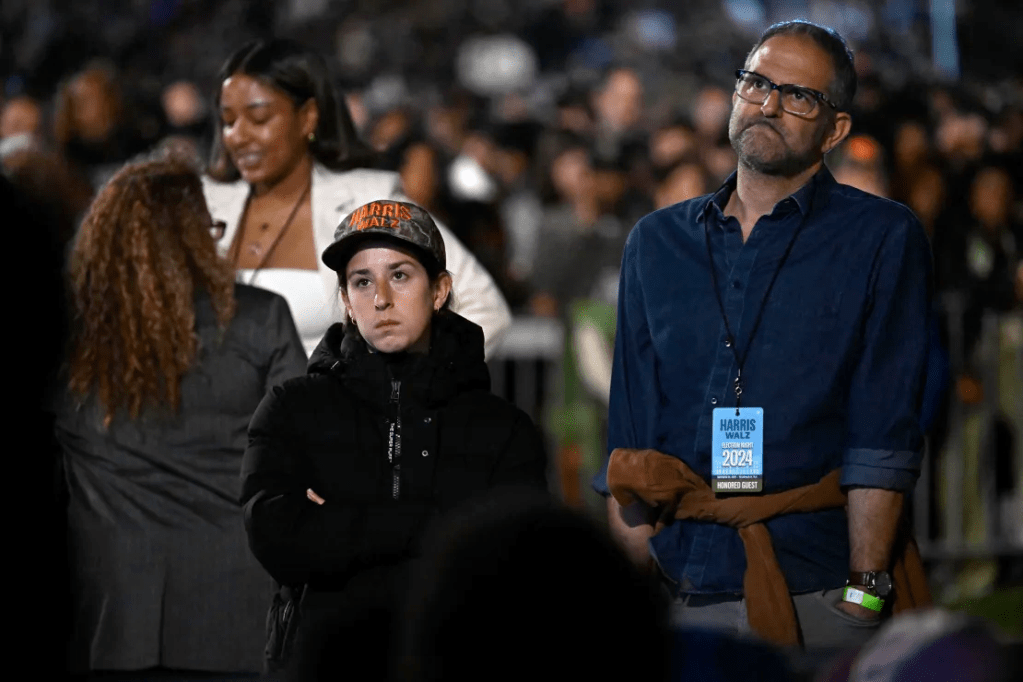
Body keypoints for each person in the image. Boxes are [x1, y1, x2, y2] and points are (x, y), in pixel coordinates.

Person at [593, 20, 933, 654]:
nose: (769, 104)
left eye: (798, 95)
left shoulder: (881, 237)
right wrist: (643, 583)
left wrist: (863, 594)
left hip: (819, 582)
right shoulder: (656, 242)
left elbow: (882, 430)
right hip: (680, 585)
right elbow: (629, 439)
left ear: (835, 130)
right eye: (756, 83)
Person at [239, 199, 548, 679]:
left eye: (400, 275)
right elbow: (277, 537)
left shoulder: (503, 429)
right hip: (325, 664)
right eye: (362, 282)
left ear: (440, 290)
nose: (380, 298)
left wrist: (341, 521)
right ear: (346, 300)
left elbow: (515, 565)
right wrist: (438, 525)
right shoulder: (291, 409)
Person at [54, 155, 307, 676]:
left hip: (108, 612)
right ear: (195, 236)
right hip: (236, 609)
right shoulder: (261, 318)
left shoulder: (69, 333)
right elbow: (301, 455)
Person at [203, 39, 512, 358]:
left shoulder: (369, 199)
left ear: (308, 116)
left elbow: (484, 309)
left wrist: (405, 385)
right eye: (228, 121)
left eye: (259, 118)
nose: (238, 136)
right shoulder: (202, 204)